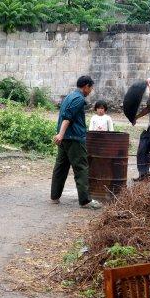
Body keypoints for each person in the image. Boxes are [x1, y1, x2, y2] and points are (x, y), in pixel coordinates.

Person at [50, 76, 102, 209]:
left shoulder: (69, 96)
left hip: (65, 139)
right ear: (86, 86)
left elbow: (63, 115)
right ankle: (85, 201)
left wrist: (61, 135)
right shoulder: (79, 99)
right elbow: (68, 117)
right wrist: (61, 134)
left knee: (60, 167)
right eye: (90, 88)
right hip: (74, 139)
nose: (91, 90)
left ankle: (54, 197)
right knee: (81, 168)